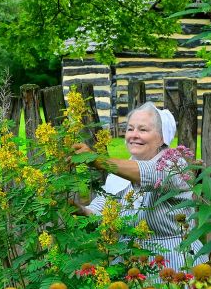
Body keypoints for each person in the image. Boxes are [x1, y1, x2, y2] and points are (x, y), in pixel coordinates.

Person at [78, 103, 202, 272]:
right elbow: (105, 205)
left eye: (143, 130)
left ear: (161, 137)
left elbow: (150, 174)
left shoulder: (174, 165)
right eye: (130, 129)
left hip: (174, 262)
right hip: (131, 262)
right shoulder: (119, 172)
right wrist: (82, 211)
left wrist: (99, 161)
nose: (134, 135)